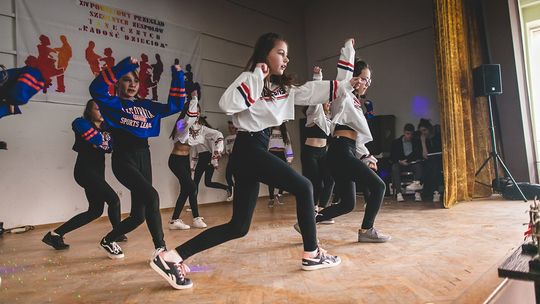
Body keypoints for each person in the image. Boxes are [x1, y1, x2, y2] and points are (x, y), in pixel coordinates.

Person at [150, 32, 353, 290]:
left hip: (255, 151)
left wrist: (348, 68)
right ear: (265, 52)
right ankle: (312, 254)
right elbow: (227, 104)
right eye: (281, 52)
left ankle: (171, 257)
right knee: (305, 187)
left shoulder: (281, 89)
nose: (286, 58)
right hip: (248, 149)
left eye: (287, 54)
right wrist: (257, 75)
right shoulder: (250, 78)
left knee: (238, 227)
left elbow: (313, 92)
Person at [89, 56, 186, 259]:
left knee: (138, 216)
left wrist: (178, 76)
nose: (132, 84)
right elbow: (96, 88)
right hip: (124, 159)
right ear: (117, 83)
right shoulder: (112, 104)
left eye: (135, 81)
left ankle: (108, 240)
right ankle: (160, 249)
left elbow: (175, 106)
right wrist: (123, 66)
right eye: (126, 80)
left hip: (144, 157)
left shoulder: (147, 106)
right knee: (152, 197)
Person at [309, 39, 390, 243]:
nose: (366, 83)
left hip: (346, 151)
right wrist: (348, 50)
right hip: (340, 151)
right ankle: (366, 230)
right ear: (355, 78)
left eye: (369, 80)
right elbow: (343, 75)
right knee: (379, 186)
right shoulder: (342, 94)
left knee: (347, 204)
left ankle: (308, 222)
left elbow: (358, 138)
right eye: (364, 78)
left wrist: (367, 156)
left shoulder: (355, 103)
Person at [42, 100, 125, 250]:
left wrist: (102, 142)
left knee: (95, 211)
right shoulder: (80, 122)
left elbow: (110, 146)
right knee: (114, 200)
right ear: (89, 111)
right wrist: (102, 141)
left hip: (97, 172)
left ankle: (54, 235)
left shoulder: (107, 128)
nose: (102, 111)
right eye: (98, 108)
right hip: (84, 171)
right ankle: (117, 233)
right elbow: (98, 140)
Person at [302, 66, 334, 222]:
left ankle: (323, 212)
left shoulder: (328, 119)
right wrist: (318, 76)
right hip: (310, 153)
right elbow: (316, 95)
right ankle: (313, 210)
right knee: (316, 184)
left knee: (330, 180)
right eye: (326, 101)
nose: (328, 104)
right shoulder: (313, 113)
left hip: (323, 153)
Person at [168, 91, 204, 230]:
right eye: (195, 111)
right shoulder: (181, 124)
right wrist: (193, 99)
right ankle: (193, 218)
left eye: (198, 112)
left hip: (185, 160)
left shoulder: (196, 128)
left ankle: (177, 220)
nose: (197, 114)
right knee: (192, 187)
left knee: (186, 189)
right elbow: (189, 120)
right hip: (176, 161)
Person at [190, 118, 229, 204]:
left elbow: (214, 147)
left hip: (207, 157)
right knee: (205, 182)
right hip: (202, 157)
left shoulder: (208, 136)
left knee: (198, 182)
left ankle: (193, 204)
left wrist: (214, 160)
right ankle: (228, 187)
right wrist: (192, 165)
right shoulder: (195, 136)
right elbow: (194, 151)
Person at [390, 123, 423, 202]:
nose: (409, 136)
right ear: (404, 132)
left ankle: (417, 193)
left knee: (418, 167)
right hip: (400, 163)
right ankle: (399, 193)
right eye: (407, 134)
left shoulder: (416, 142)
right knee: (394, 167)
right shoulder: (396, 142)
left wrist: (410, 161)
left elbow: (418, 154)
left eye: (411, 134)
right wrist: (400, 161)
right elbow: (392, 156)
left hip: (411, 163)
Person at [267, 122, 293, 207]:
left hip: (281, 154)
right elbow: (265, 145)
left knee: (284, 176)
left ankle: (280, 194)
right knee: (271, 177)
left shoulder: (285, 133)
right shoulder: (269, 131)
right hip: (271, 154)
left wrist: (289, 158)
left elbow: (288, 145)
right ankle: (271, 198)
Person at [418, 118, 443, 202]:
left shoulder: (438, 136)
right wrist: (423, 142)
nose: (424, 133)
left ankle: (421, 184)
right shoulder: (425, 140)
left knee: (434, 166)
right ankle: (433, 191)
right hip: (430, 161)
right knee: (427, 165)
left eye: (424, 130)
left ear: (429, 129)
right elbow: (425, 155)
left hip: (440, 159)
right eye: (421, 132)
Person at [223, 121, 237, 201]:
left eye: (232, 128)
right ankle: (232, 192)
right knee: (228, 176)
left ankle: (238, 194)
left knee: (238, 177)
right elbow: (224, 151)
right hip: (230, 158)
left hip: (238, 158)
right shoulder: (227, 138)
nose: (230, 129)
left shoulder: (238, 137)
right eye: (229, 128)